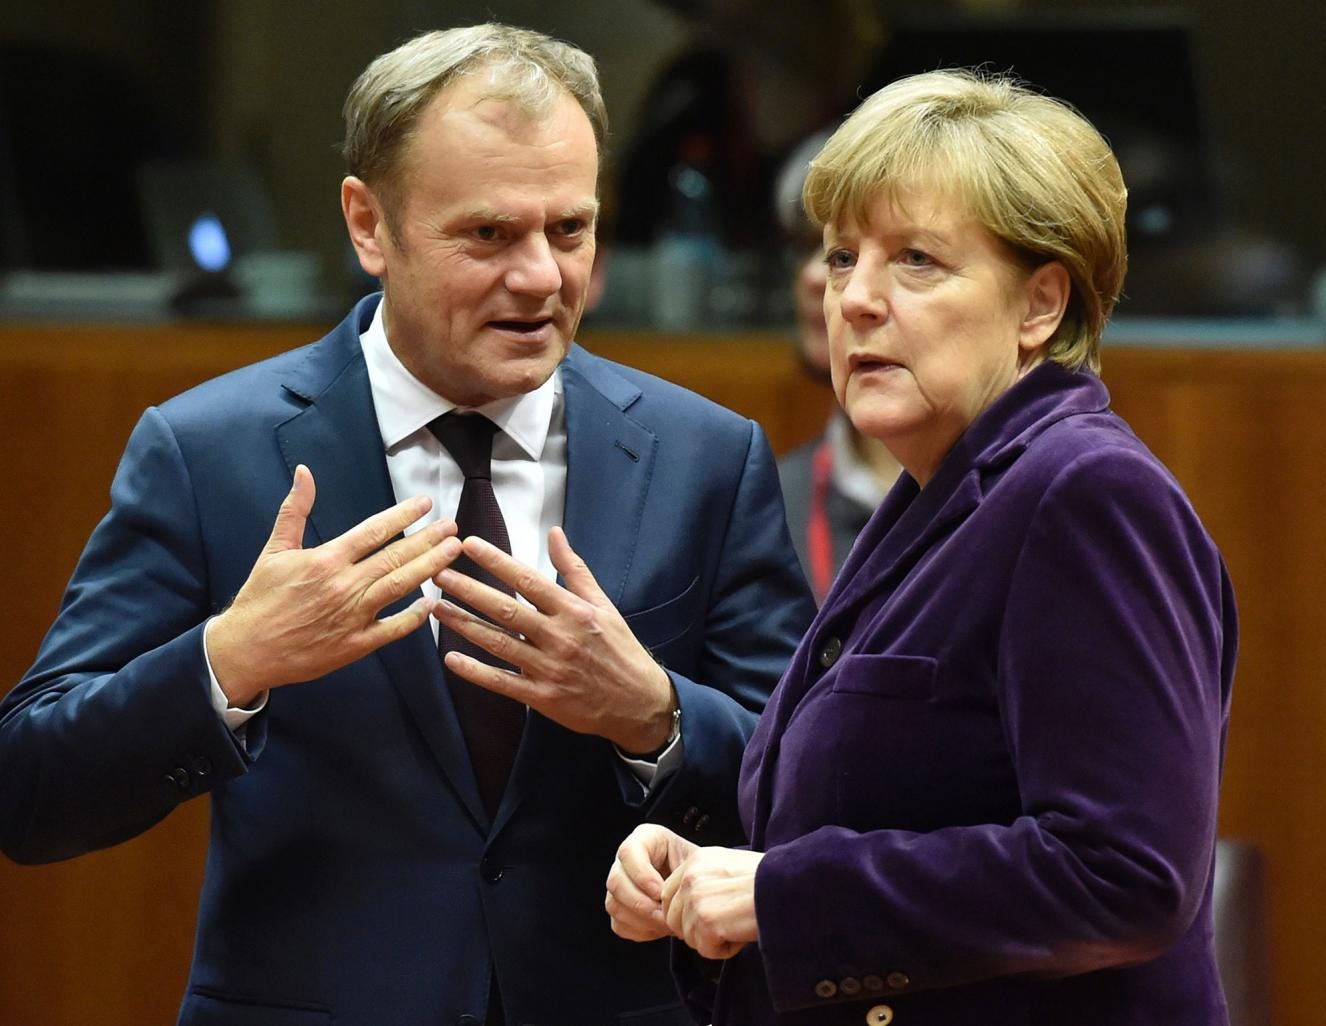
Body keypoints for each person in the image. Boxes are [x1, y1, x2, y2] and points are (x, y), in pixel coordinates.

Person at [0, 25, 814, 1026]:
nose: (541, 279)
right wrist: (229, 662)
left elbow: (814, 787)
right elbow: (31, 792)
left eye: (569, 231)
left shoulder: (705, 458)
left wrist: (655, 718)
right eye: (487, 235)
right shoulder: (210, 450)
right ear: (367, 224)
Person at [607, 69, 1237, 1026]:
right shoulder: (936, 496)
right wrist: (712, 870)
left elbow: (1126, 873)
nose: (853, 298)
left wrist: (786, 897)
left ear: (1040, 306)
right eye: (842, 256)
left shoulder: (1085, 494)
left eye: (916, 262)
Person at [772, 129, 902, 601]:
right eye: (837, 257)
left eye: (839, 255)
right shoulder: (769, 500)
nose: (814, 276)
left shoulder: (1040, 496)